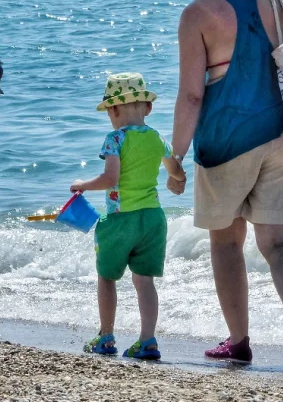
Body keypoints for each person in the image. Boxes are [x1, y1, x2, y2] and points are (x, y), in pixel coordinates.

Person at [164, 0, 283, 370]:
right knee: (278, 243)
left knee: (227, 244)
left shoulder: (196, 14)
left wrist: (175, 155)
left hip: (224, 142)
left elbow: (193, 94)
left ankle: (238, 340)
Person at [70, 73, 184, 360]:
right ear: (147, 108)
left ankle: (106, 336)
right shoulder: (158, 138)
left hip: (121, 218)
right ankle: (147, 340)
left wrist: (83, 184)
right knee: (144, 280)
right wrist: (176, 180)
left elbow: (111, 178)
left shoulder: (114, 139)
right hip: (153, 219)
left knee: (107, 277)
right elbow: (176, 171)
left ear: (113, 109)